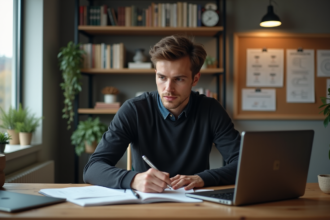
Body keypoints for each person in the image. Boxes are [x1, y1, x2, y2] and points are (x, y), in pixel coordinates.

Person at [83, 35, 240, 193]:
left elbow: (243, 164)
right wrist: (133, 180)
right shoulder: (134, 110)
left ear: (195, 79)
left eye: (178, 79)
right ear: (155, 73)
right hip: (146, 205)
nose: (168, 89)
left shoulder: (211, 110)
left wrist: (203, 178)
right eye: (162, 77)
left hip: (196, 204)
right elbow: (93, 168)